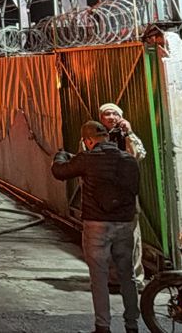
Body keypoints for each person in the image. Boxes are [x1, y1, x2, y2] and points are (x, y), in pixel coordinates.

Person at [53, 119, 141, 333]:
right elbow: (134, 189)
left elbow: (60, 172)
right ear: (107, 137)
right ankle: (132, 325)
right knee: (127, 275)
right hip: (124, 223)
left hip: (96, 224)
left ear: (88, 141)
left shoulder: (87, 159)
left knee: (99, 277)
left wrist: (60, 155)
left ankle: (103, 326)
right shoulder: (129, 160)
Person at [98, 102, 146, 287]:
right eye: (107, 114)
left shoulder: (127, 136)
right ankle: (113, 279)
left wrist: (129, 134)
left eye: (115, 114)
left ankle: (135, 279)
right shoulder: (95, 137)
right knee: (108, 239)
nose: (111, 117)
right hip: (105, 197)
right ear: (101, 118)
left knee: (132, 239)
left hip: (127, 196)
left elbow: (138, 155)